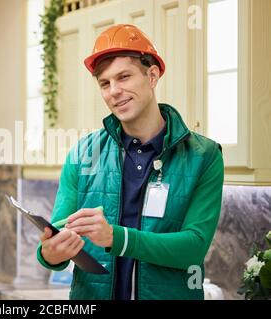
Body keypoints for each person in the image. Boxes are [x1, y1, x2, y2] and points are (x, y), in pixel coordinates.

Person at [37, 24, 224, 300]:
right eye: (105, 83)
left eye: (123, 77)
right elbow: (59, 234)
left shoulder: (203, 155)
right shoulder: (82, 154)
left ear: (152, 75)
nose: (114, 91)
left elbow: (193, 247)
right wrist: (50, 254)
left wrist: (117, 237)